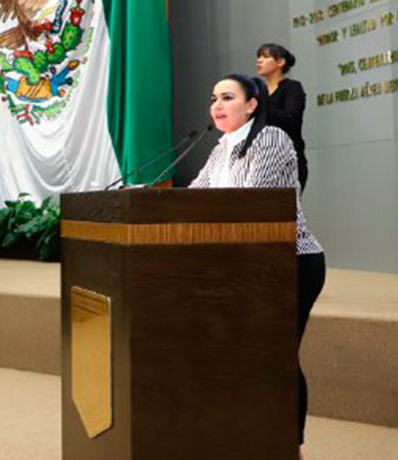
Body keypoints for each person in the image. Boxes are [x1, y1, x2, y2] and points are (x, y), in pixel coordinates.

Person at [190, 74, 325, 459]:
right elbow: (192, 200)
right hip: (242, 265)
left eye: (227, 97)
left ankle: (290, 449)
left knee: (278, 356)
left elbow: (250, 203)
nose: (217, 105)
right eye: (213, 98)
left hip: (290, 261)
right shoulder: (220, 150)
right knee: (245, 356)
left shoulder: (270, 138)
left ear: (251, 105)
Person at [256, 43, 308, 191]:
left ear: (280, 62)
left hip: (288, 160)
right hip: (261, 161)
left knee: (284, 204)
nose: (259, 60)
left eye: (265, 56)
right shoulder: (258, 93)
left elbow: (289, 118)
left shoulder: (292, 87)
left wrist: (262, 103)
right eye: (258, 57)